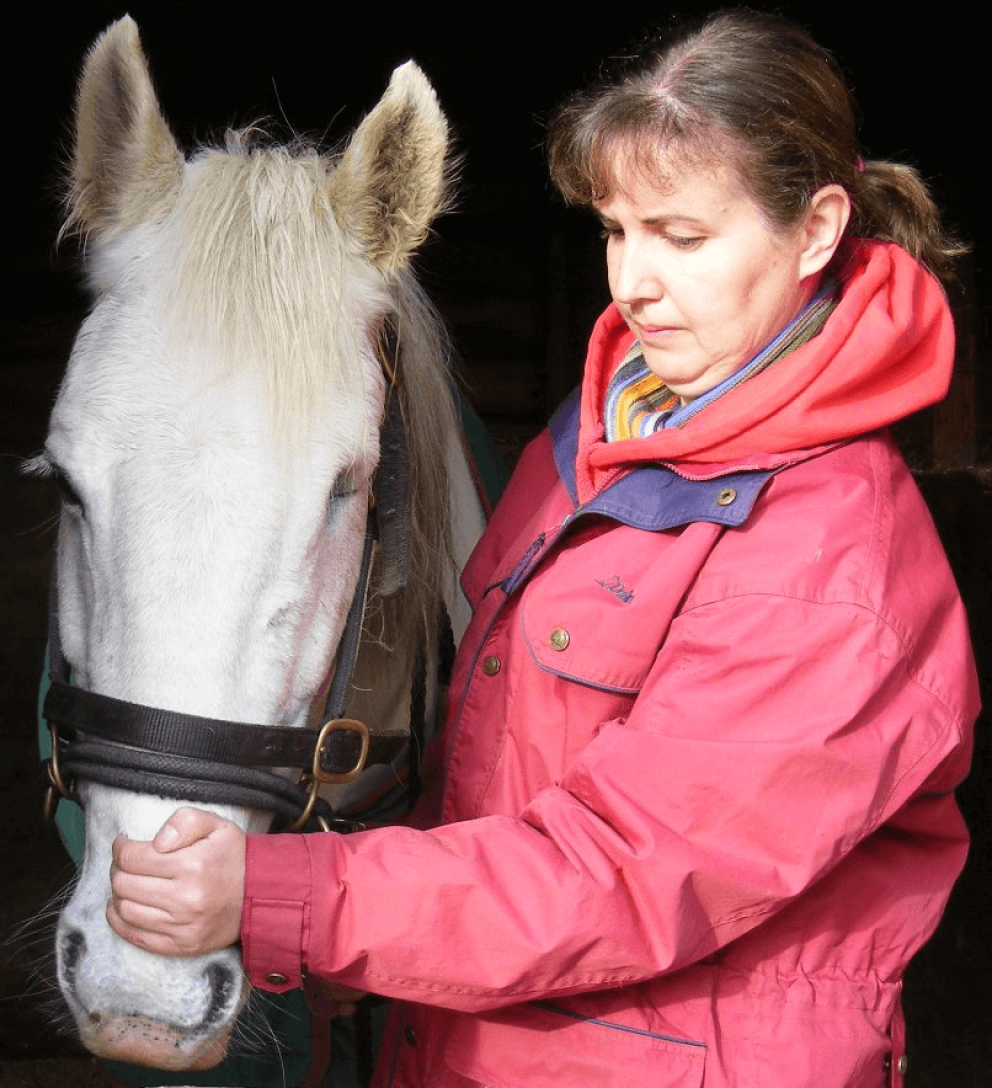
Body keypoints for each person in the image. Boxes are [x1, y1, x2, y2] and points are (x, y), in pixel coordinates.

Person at [106, 10, 979, 1086]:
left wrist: (290, 894)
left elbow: (623, 873)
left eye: (682, 237)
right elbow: (497, 763)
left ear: (814, 231)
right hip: (475, 1039)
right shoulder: (603, 439)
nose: (633, 281)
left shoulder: (825, 561)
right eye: (617, 230)